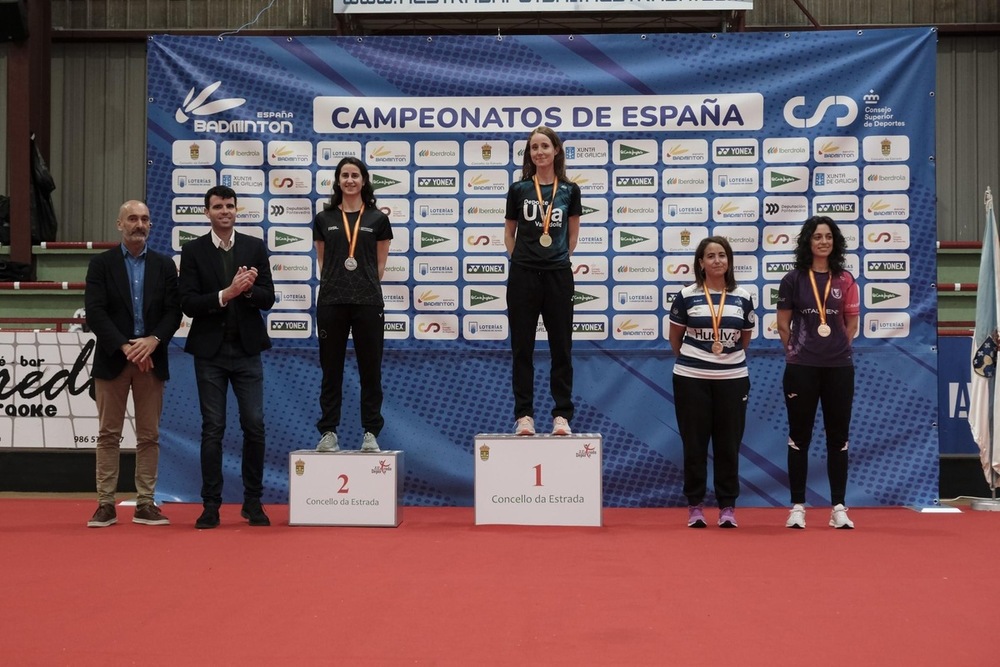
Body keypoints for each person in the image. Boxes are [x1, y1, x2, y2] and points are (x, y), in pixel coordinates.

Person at [178, 184, 275, 529]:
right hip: (210, 354)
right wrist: (226, 294)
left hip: (247, 352)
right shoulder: (193, 252)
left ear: (237, 210)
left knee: (255, 426)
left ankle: (252, 502)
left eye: (229, 206)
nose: (224, 211)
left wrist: (247, 292)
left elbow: (268, 298)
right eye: (217, 206)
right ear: (207, 212)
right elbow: (187, 302)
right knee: (213, 429)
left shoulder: (254, 247)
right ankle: (211, 505)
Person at [84, 200, 182, 527]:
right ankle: (105, 503)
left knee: (149, 435)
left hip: (151, 361)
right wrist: (126, 347)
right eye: (132, 219)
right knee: (108, 434)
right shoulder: (101, 265)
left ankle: (145, 502)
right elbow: (95, 312)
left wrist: (153, 341)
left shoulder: (165, 266)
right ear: (119, 224)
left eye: (144, 219)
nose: (139, 224)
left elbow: (174, 311)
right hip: (114, 358)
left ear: (150, 225)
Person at [776, 216, 860, 530]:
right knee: (799, 437)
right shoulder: (793, 279)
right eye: (816, 237)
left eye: (828, 236)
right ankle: (797, 506)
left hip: (839, 367)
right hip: (801, 368)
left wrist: (837, 346)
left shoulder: (846, 280)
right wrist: (795, 350)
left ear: (834, 242)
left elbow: (852, 324)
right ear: (807, 242)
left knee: (838, 438)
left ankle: (838, 506)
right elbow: (783, 323)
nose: (823, 241)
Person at [668, 236, 755, 529]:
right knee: (694, 444)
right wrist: (696, 363)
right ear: (701, 263)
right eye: (710, 256)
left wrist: (723, 360)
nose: (717, 260)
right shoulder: (686, 295)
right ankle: (695, 506)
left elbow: (744, 339)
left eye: (722, 255)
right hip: (691, 379)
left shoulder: (742, 296)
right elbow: (675, 339)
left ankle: (727, 507)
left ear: (728, 261)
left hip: (732, 379)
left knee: (728, 445)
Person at [504, 126, 582, 436]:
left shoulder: (570, 190)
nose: (539, 152)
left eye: (545, 146)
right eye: (534, 147)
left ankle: (561, 415)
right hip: (523, 275)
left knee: (560, 347)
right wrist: (520, 258)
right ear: (530, 154)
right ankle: (524, 415)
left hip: (558, 275)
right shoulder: (519, 189)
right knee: (522, 348)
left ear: (556, 151)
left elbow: (573, 234)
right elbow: (509, 233)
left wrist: (557, 257)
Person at [312, 156, 393, 453]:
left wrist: (363, 283)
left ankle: (370, 431)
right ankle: (329, 431)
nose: (349, 180)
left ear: (363, 180)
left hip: (368, 302)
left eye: (355, 175)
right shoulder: (324, 219)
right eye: (344, 175)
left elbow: (380, 265)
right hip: (332, 301)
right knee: (330, 370)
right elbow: (324, 262)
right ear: (337, 181)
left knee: (370, 370)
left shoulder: (377, 219)